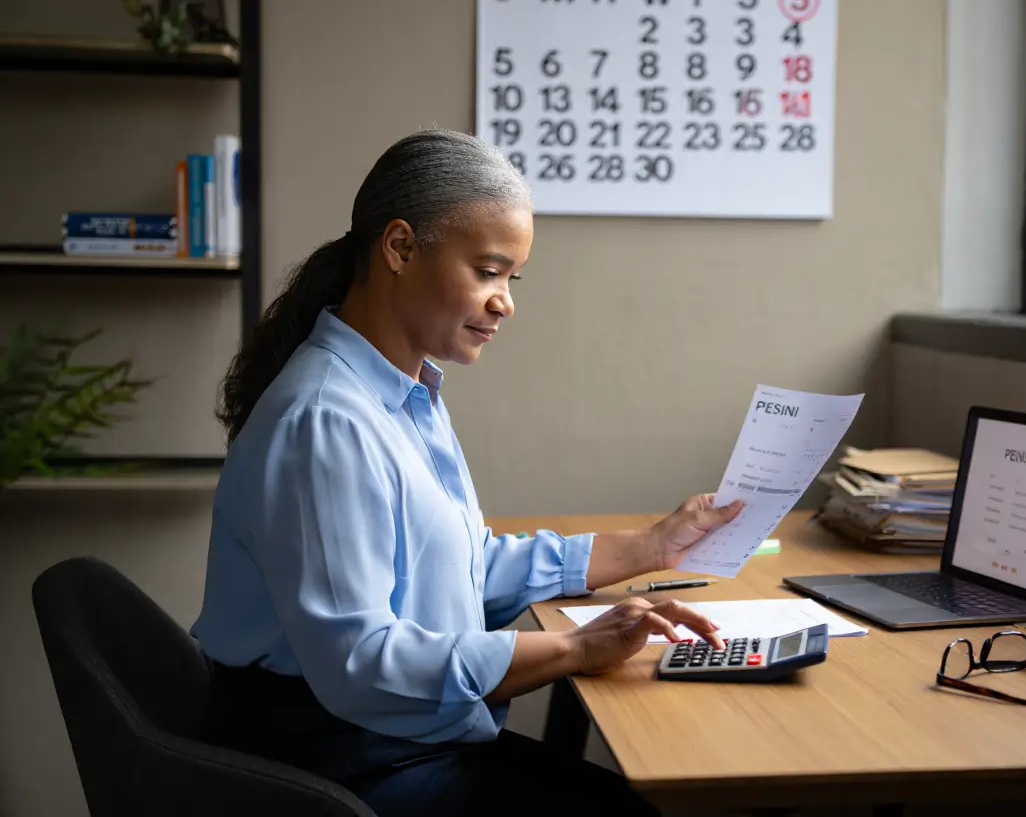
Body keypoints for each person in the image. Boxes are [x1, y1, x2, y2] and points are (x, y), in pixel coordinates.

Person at [191, 128, 743, 816]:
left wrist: (651, 546)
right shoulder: (327, 421)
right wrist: (571, 649)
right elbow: (363, 662)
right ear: (399, 248)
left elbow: (463, 566)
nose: (505, 300)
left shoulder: (404, 391)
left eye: (512, 278)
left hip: (389, 741)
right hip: (338, 770)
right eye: (487, 271)